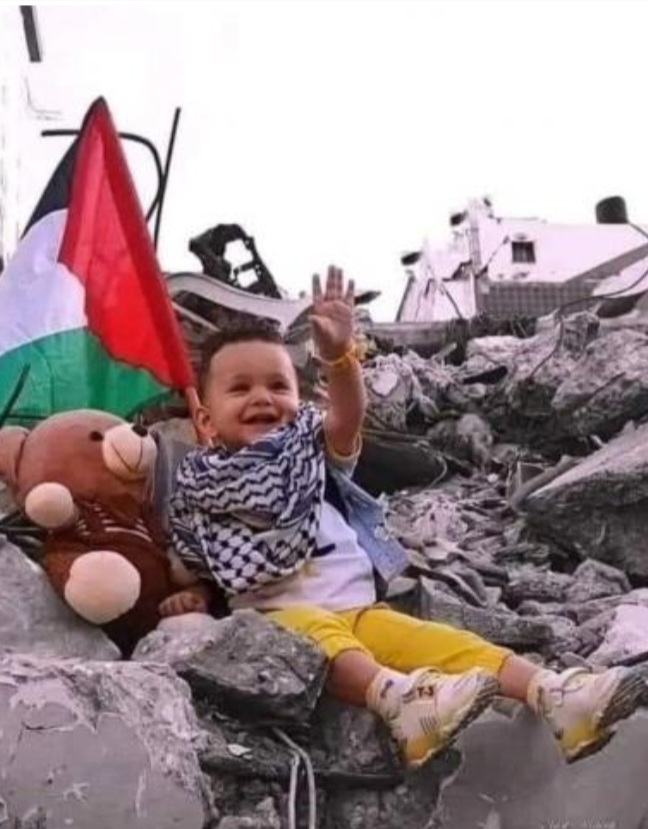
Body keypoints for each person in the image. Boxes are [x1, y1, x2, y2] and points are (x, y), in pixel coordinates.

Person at [160, 265, 645, 768]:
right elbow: (200, 565)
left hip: (360, 611)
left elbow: (348, 415)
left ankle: (555, 694)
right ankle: (399, 702)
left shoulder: (311, 454)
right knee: (318, 636)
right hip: (281, 620)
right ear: (205, 418)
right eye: (240, 388)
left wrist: (339, 358)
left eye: (278, 386)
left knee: (447, 644)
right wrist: (192, 597)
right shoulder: (200, 490)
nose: (262, 397)